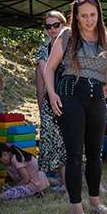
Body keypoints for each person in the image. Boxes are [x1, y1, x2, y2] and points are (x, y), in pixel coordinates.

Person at [44, 0, 107, 214]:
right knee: (74, 154)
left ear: (99, 15)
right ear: (75, 17)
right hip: (70, 93)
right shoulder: (67, 35)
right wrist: (52, 93)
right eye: (84, 15)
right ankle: (77, 209)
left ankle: (95, 202)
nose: (89, 20)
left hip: (97, 96)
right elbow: (49, 68)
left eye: (93, 15)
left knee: (95, 153)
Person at [35, 11, 67, 189]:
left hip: (73, 98)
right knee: (57, 143)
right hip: (53, 100)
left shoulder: (73, 48)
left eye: (56, 25)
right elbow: (45, 75)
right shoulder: (43, 50)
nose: (53, 29)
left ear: (64, 25)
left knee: (80, 143)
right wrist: (42, 108)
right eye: (49, 26)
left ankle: (96, 185)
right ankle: (64, 184)